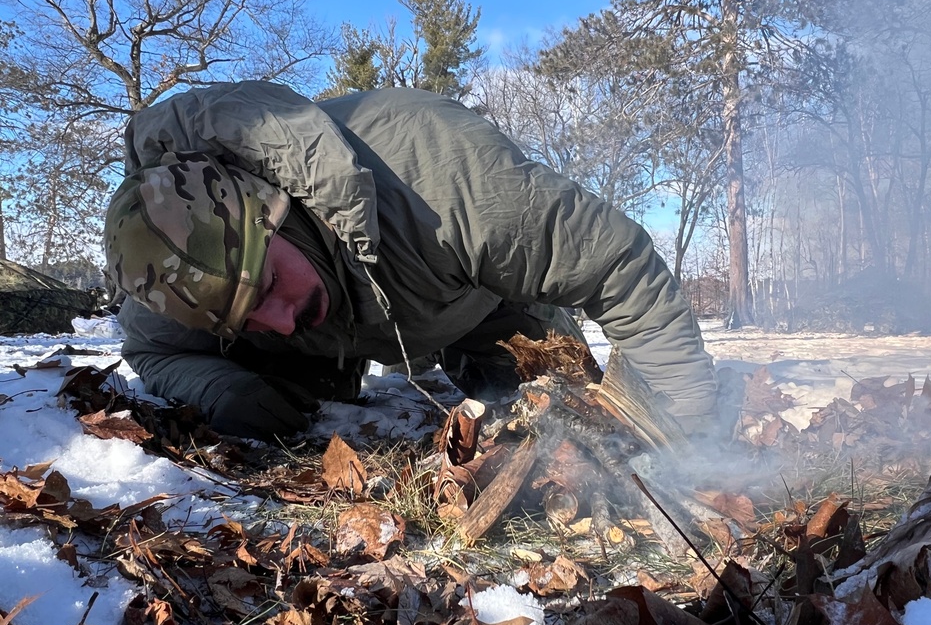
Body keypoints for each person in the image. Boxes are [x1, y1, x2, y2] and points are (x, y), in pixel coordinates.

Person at [104, 81, 717, 439]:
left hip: (467, 299)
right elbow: (150, 349)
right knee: (266, 374)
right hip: (349, 328)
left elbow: (620, 267)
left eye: (265, 285)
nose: (280, 320)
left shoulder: (440, 177)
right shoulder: (172, 282)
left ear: (274, 207)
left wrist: (685, 437)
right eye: (244, 317)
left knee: (561, 411)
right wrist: (228, 389)